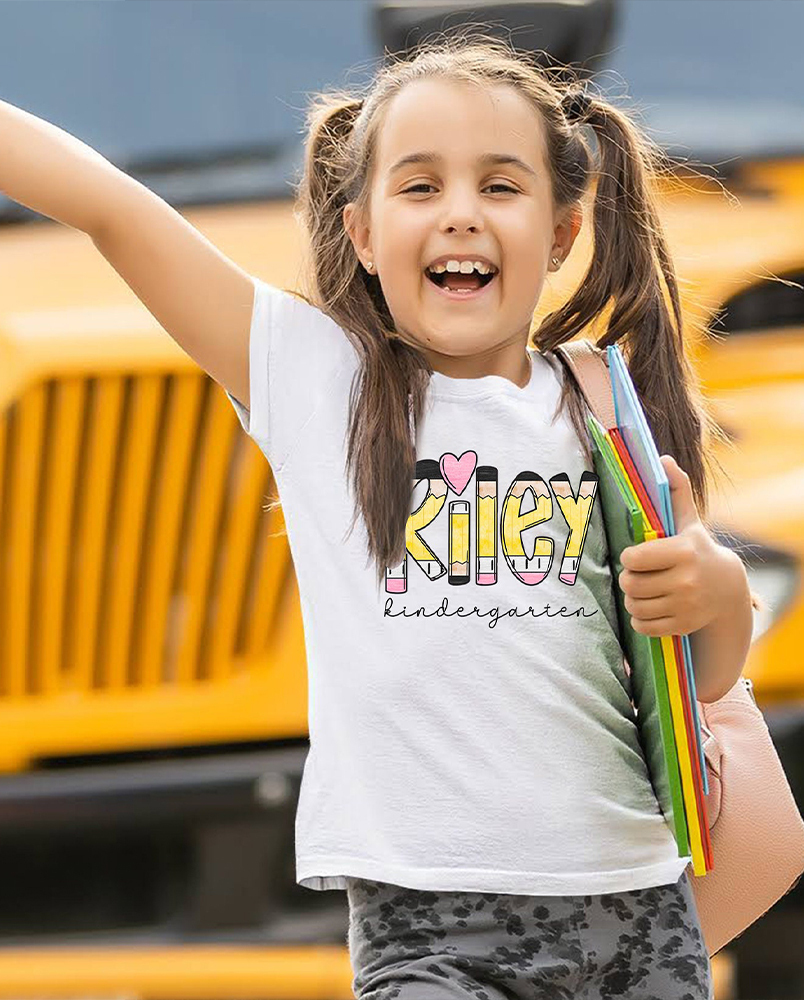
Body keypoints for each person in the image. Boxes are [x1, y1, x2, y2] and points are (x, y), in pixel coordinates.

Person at [0, 28, 755, 1000]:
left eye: (499, 185)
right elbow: (111, 211)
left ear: (563, 230)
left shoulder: (603, 402)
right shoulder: (319, 383)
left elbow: (702, 677)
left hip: (634, 916)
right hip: (428, 927)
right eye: (419, 186)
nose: (459, 216)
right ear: (360, 232)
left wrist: (716, 593)